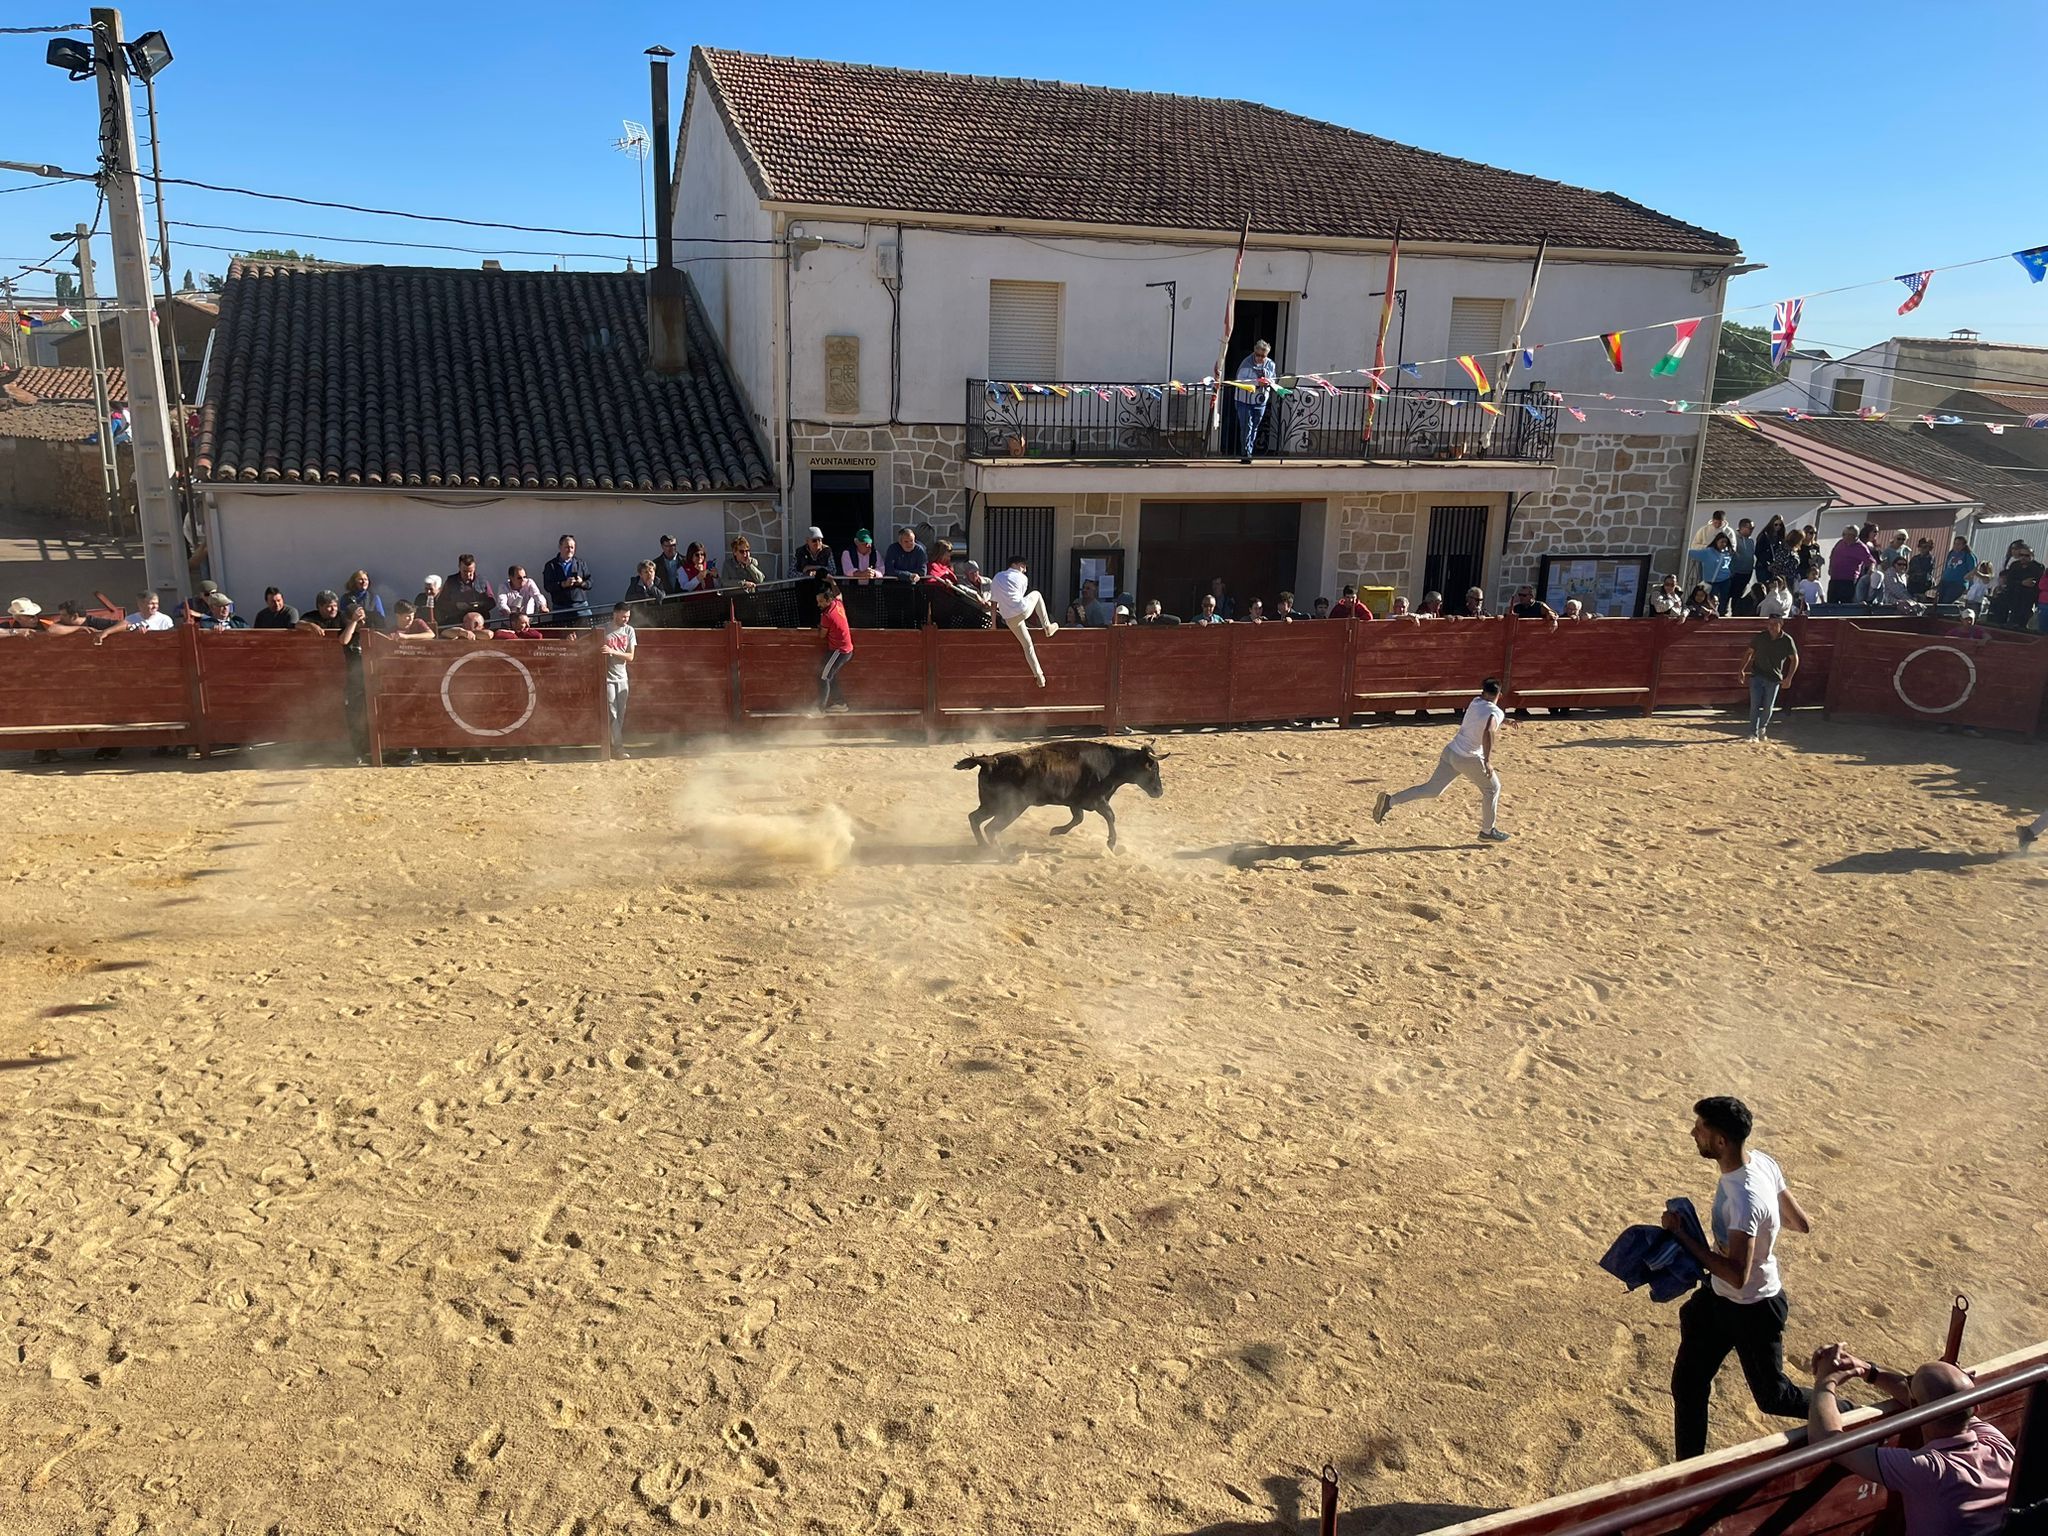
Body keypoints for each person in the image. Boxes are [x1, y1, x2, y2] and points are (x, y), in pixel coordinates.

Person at [1662, 1096, 1813, 1460]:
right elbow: (1801, 1223)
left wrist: (1682, 1237)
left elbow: (1738, 1275)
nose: (1692, 1133)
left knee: (1774, 1397)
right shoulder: (1762, 1162)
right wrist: (1767, 1232)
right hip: (1721, 1301)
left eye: (1700, 1129)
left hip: (1752, 1308)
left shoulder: (1741, 1198)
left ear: (1720, 1142)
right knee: (1688, 1383)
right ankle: (1688, 1472)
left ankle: (1852, 1414)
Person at [1805, 1345, 2013, 1536]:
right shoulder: (1998, 1445)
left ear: (1915, 1407)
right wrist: (1868, 1370)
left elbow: (1824, 1440)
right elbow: (1941, 1403)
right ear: (1976, 1408)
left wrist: (1826, 1380)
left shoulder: (1928, 1470)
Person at [1373, 677, 1510, 843]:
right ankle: (1487, 831)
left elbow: (1484, 717)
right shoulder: (1496, 712)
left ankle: (1390, 801)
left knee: (1432, 789)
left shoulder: (1475, 701)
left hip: (1451, 752)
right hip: (1468, 758)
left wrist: (1505, 720)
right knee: (1492, 789)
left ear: (1482, 692)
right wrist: (1487, 760)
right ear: (1500, 695)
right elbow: (1488, 730)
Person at [991, 554, 1059, 686]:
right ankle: (1047, 626)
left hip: (1009, 618)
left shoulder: (997, 577)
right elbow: (1018, 599)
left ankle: (1039, 675)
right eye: (1023, 566)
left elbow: (993, 603)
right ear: (1015, 565)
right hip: (1021, 610)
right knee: (1037, 594)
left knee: (1027, 645)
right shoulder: (1022, 577)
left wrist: (993, 625)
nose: (1025, 569)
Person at [1739, 613, 1799, 743]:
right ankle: (1752, 732)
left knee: (1768, 707)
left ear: (1781, 624)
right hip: (1757, 675)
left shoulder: (1787, 640)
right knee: (1754, 705)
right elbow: (1749, 653)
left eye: (1774, 624)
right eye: (1769, 624)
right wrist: (1742, 669)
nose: (1771, 627)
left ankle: (1762, 728)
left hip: (1774, 678)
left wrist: (1789, 678)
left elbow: (1794, 659)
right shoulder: (1761, 637)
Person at [813, 576, 854, 714]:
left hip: (839, 651)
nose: (819, 604)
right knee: (829, 674)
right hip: (845, 649)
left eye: (821, 601)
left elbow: (821, 635)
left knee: (823, 676)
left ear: (828, 600)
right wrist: (831, 581)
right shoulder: (837, 603)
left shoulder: (827, 615)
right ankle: (839, 702)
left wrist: (819, 626)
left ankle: (820, 709)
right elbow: (839, 593)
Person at [600, 601, 635, 754]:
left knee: (620, 714)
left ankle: (613, 744)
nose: (625, 620)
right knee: (612, 713)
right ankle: (619, 747)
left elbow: (631, 656)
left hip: (622, 677)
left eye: (627, 617)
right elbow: (587, 640)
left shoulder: (629, 631)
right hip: (607, 677)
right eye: (623, 617)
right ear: (615, 614)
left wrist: (613, 651)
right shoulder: (603, 629)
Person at [1235, 339, 1276, 462]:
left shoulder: (1270, 364)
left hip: (1260, 401)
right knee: (1246, 426)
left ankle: (1249, 450)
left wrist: (1267, 382)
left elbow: (1273, 379)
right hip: (1244, 400)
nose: (1259, 358)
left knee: (1255, 427)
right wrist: (1257, 382)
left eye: (1263, 356)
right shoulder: (1245, 363)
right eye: (1257, 355)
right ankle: (1246, 453)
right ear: (1254, 352)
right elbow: (1240, 380)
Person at [542, 534, 593, 625]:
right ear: (560, 547)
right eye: (567, 547)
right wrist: (563, 584)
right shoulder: (551, 565)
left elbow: (590, 582)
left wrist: (581, 583)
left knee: (586, 633)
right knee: (563, 635)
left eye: (572, 547)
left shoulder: (580, 563)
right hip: (561, 607)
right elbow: (548, 586)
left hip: (580, 606)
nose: (570, 550)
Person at [1991, 544, 2042, 630]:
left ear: (2032, 556)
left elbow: (2036, 583)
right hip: (2013, 595)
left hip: (2027, 598)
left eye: (2027, 555)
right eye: (2021, 555)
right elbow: (2010, 581)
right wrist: (2021, 583)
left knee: (2021, 621)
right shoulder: (2015, 565)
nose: (2023, 557)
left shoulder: (2037, 567)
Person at [1828, 524, 1873, 606]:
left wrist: (1869, 574)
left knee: (1846, 606)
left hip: (1848, 581)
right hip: (1835, 579)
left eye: (1850, 535)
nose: (1846, 537)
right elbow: (1833, 555)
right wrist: (1830, 568)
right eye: (1844, 534)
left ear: (1856, 536)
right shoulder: (1840, 543)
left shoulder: (1861, 547)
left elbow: (1871, 562)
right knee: (1830, 605)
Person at [442, 556, 494, 626]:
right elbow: (442, 602)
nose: (468, 575)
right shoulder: (451, 581)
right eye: (465, 571)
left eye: (471, 571)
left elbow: (492, 602)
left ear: (474, 568)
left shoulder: (482, 581)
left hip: (480, 622)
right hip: (458, 622)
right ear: (459, 567)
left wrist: (480, 604)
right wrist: (456, 605)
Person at [1729, 518, 1758, 615]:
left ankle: (1735, 613)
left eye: (1753, 528)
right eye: (1750, 528)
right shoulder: (1734, 538)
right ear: (1742, 527)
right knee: (1729, 594)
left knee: (1739, 596)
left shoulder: (1751, 541)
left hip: (1746, 573)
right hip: (1735, 572)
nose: (1751, 530)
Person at [1937, 535, 1977, 605]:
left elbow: (1972, 572)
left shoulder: (1968, 556)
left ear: (1964, 545)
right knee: (1939, 601)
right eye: (1955, 544)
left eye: (1958, 544)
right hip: (1945, 582)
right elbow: (1947, 567)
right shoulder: (1951, 553)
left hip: (1957, 584)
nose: (1956, 546)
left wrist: (1971, 587)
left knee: (1946, 602)